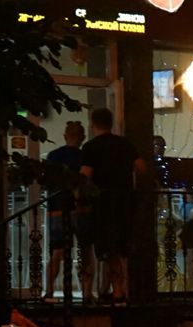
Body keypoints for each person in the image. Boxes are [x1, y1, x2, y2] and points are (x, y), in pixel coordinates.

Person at [80, 108, 147, 306]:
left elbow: (85, 175)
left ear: (93, 124)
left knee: (109, 247)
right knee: (123, 246)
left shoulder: (90, 147)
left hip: (103, 202)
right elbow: (142, 167)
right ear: (111, 123)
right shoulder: (124, 144)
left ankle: (118, 291)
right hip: (125, 201)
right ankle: (119, 289)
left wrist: (80, 196)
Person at [43, 121, 92, 302]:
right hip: (81, 208)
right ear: (82, 137)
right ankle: (86, 292)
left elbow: (48, 182)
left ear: (65, 136)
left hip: (56, 207)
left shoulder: (53, 156)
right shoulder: (84, 158)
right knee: (85, 250)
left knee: (57, 251)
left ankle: (49, 291)